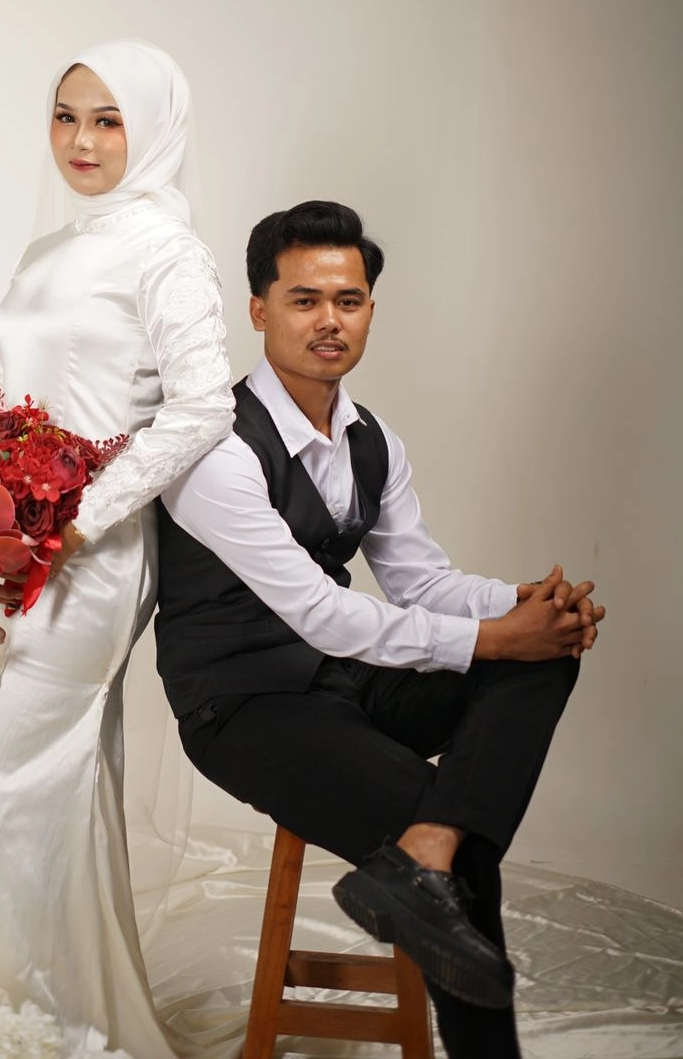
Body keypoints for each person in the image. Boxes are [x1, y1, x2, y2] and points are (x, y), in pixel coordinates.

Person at [155, 200, 604, 1059]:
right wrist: (493, 636)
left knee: (543, 658)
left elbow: (420, 582)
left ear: (369, 309)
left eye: (348, 300)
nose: (329, 320)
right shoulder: (216, 447)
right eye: (304, 299)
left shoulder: (374, 441)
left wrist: (520, 604)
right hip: (243, 705)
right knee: (467, 856)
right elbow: (320, 611)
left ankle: (424, 852)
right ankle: (439, 871)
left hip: (342, 678)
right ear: (259, 311)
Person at [0, 39, 234, 1057]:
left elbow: (203, 406)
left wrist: (80, 516)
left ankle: (22, 1011)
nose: (82, 140)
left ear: (155, 129)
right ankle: (38, 1015)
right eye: (66, 116)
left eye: (109, 120)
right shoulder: (49, 250)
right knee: (55, 777)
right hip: (17, 546)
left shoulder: (166, 251)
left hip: (93, 556)